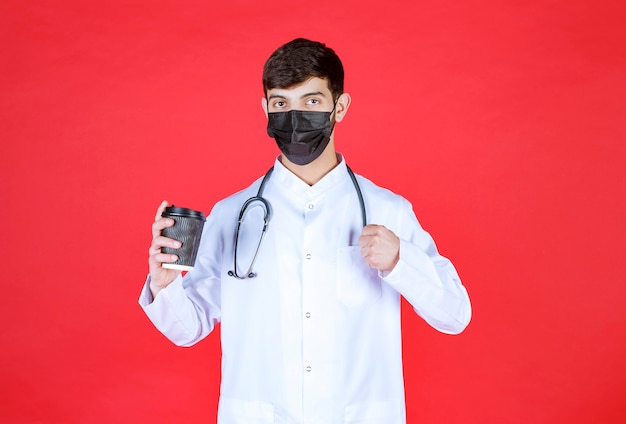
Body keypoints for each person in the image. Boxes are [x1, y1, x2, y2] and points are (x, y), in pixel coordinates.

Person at [140, 38, 471, 424]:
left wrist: (401, 261)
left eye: (311, 101)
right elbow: (188, 329)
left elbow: (455, 315)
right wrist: (165, 285)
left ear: (339, 107)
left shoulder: (387, 211)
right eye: (281, 103)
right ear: (265, 109)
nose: (294, 115)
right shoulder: (232, 215)